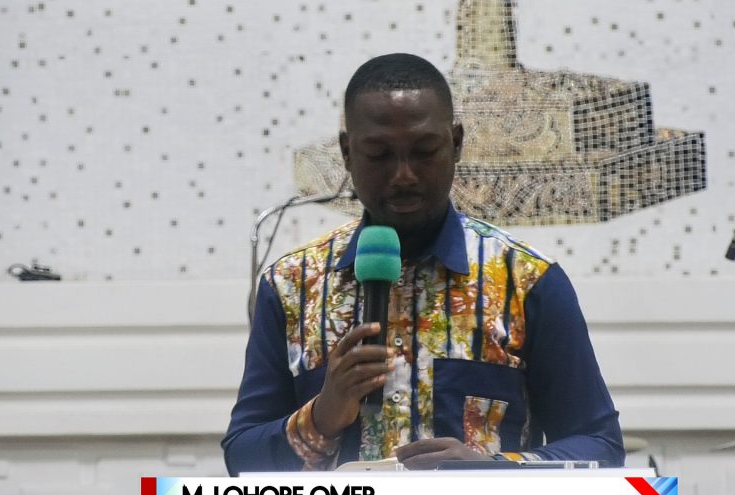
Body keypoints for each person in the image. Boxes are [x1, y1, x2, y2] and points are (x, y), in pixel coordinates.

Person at [223, 53, 624, 473]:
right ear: (346, 152)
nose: (404, 175)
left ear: (456, 144)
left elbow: (600, 445)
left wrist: (491, 469)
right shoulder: (291, 285)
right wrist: (321, 417)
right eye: (379, 154)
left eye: (424, 151)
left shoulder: (527, 281)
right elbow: (241, 458)